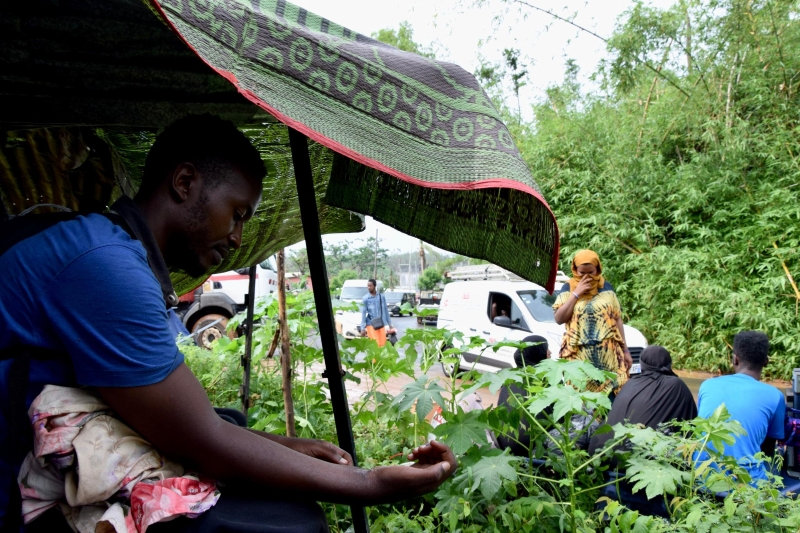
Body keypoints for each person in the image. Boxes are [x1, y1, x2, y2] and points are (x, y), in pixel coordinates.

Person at [0, 115, 456, 532]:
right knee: (288, 524)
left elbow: (192, 421)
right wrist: (371, 484)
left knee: (232, 422)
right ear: (184, 182)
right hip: (12, 483)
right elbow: (201, 439)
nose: (238, 238)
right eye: (236, 214)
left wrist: (287, 446)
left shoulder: (109, 245)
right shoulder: (105, 266)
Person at [696, 330, 785, 483]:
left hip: (702, 478)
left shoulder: (707, 385)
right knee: (779, 458)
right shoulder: (775, 395)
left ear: (735, 359)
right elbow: (768, 450)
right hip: (746, 485)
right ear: (766, 362)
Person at [589, 345, 697, 455]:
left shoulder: (631, 383)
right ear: (669, 364)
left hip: (600, 453)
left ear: (642, 364)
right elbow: (690, 424)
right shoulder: (675, 385)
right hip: (635, 460)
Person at [552, 250, 632, 394]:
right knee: (582, 403)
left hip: (609, 356)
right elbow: (559, 318)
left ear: (598, 269)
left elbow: (617, 319)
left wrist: (625, 350)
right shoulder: (568, 288)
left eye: (591, 272)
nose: (587, 277)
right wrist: (577, 293)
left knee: (612, 399)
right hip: (579, 357)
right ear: (575, 270)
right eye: (582, 273)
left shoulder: (606, 287)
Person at [496, 335, 551, 456]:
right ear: (538, 353)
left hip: (503, 445)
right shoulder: (547, 381)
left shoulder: (510, 378)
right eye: (547, 349)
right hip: (531, 451)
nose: (550, 353)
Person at [360, 279, 396, 347]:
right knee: (375, 344)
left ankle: (380, 358)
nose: (369, 287)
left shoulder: (381, 297)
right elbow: (363, 314)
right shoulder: (365, 298)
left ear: (375, 286)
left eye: (370, 286)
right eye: (368, 286)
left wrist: (390, 324)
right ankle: (374, 358)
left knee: (382, 344)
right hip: (370, 324)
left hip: (380, 323)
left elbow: (385, 310)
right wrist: (362, 329)